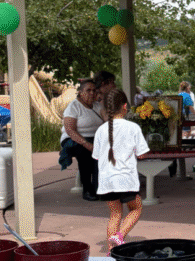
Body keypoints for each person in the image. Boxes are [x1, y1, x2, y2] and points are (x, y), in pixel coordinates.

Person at [92, 89, 148, 251]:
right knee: (136, 208)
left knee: (115, 214)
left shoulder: (101, 130)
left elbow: (96, 156)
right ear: (125, 106)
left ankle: (111, 250)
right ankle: (120, 235)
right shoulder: (133, 127)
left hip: (106, 180)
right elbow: (142, 154)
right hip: (125, 179)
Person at [59, 79, 105, 200]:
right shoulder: (73, 106)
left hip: (94, 138)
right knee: (84, 153)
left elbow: (107, 120)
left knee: (103, 153)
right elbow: (70, 130)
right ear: (80, 92)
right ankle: (87, 190)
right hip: (73, 138)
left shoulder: (97, 106)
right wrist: (87, 144)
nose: (91, 93)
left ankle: (99, 188)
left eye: (94, 90)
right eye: (88, 90)